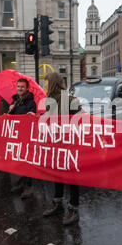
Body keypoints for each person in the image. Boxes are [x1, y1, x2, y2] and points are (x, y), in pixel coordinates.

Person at [42, 72, 82, 226]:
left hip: (69, 145)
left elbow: (81, 119)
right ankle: (57, 202)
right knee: (57, 172)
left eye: (46, 82)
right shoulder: (48, 100)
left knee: (72, 177)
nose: (44, 85)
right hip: (55, 143)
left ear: (52, 83)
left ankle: (74, 208)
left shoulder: (70, 100)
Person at [8, 78, 37, 199]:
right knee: (20, 161)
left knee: (27, 162)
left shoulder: (31, 103)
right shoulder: (15, 101)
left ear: (27, 88)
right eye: (18, 86)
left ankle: (28, 187)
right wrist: (10, 110)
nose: (19, 89)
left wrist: (32, 115)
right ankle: (22, 183)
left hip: (26, 137)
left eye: (22, 87)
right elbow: (9, 117)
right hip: (17, 135)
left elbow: (32, 119)